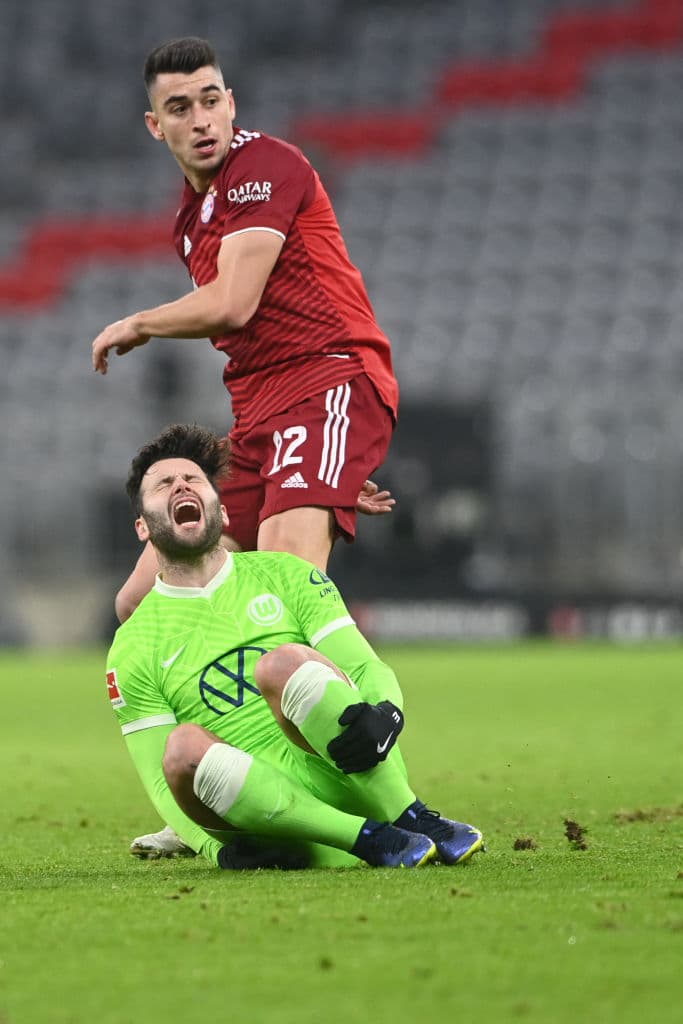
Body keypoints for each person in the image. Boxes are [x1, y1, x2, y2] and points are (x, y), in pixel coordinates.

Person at [91, 35, 399, 629]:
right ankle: (199, 727)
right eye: (181, 109)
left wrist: (140, 323)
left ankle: (359, 715)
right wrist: (318, 477)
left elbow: (233, 305)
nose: (202, 120)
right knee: (142, 602)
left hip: (327, 379)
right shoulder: (188, 219)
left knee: (279, 594)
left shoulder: (264, 165)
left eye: (211, 101)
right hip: (261, 416)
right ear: (156, 125)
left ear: (231, 103)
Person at [105, 423, 484, 870]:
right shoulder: (131, 647)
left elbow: (362, 664)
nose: (180, 486)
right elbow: (160, 779)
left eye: (193, 480)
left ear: (224, 514)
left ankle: (413, 816)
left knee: (282, 663)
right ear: (142, 528)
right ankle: (368, 840)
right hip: (270, 819)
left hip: (350, 770)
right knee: (182, 746)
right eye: (163, 484)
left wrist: (387, 710)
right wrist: (217, 850)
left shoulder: (286, 575)